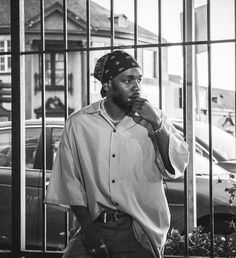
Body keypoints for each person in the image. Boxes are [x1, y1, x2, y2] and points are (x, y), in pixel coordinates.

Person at [46, 50, 189, 258]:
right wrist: (88, 231)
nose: (136, 87)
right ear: (106, 84)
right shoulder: (79, 123)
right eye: (127, 80)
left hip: (140, 229)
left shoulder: (154, 118)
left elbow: (175, 166)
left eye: (138, 79)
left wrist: (157, 124)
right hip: (94, 225)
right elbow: (70, 181)